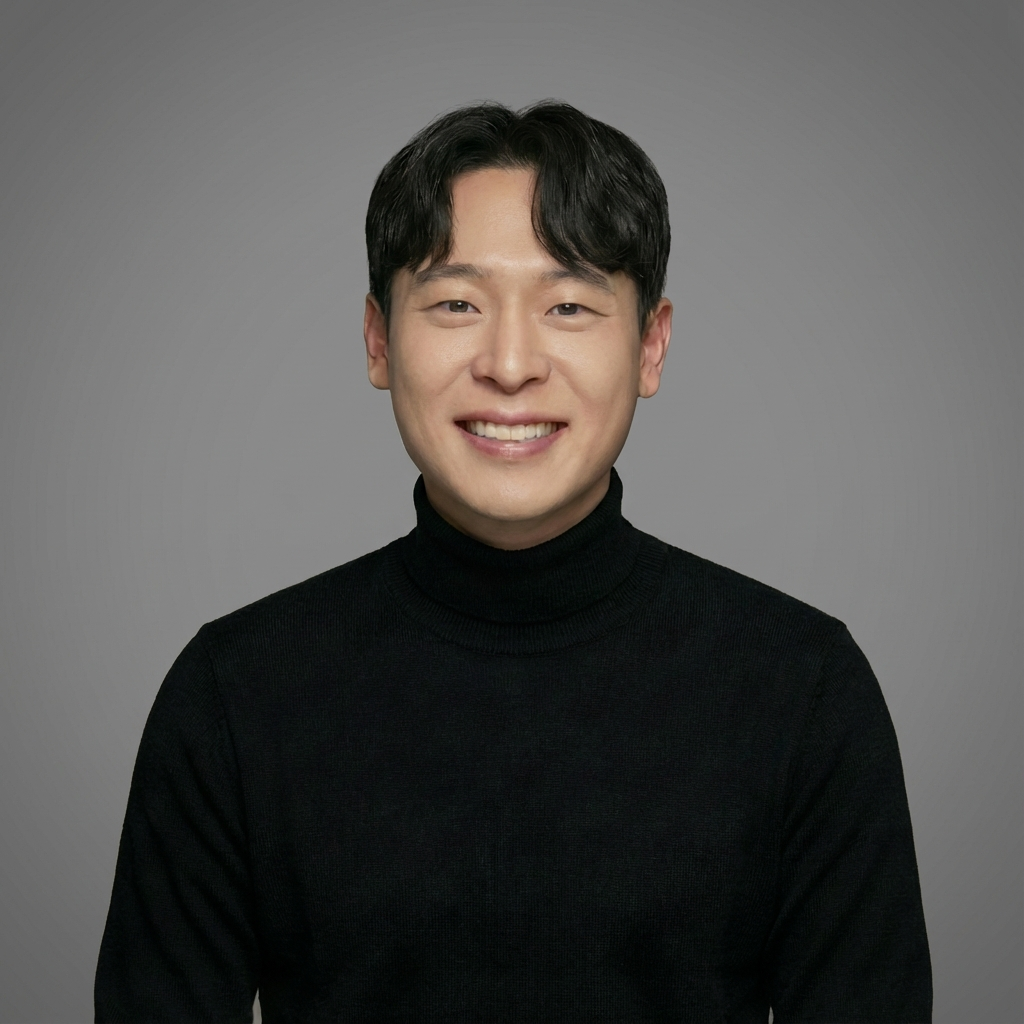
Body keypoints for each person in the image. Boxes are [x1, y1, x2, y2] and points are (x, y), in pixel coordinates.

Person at [94, 101, 932, 1023]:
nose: (509, 363)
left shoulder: (802, 690)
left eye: (568, 306)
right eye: (457, 303)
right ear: (378, 339)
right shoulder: (236, 692)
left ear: (650, 346)